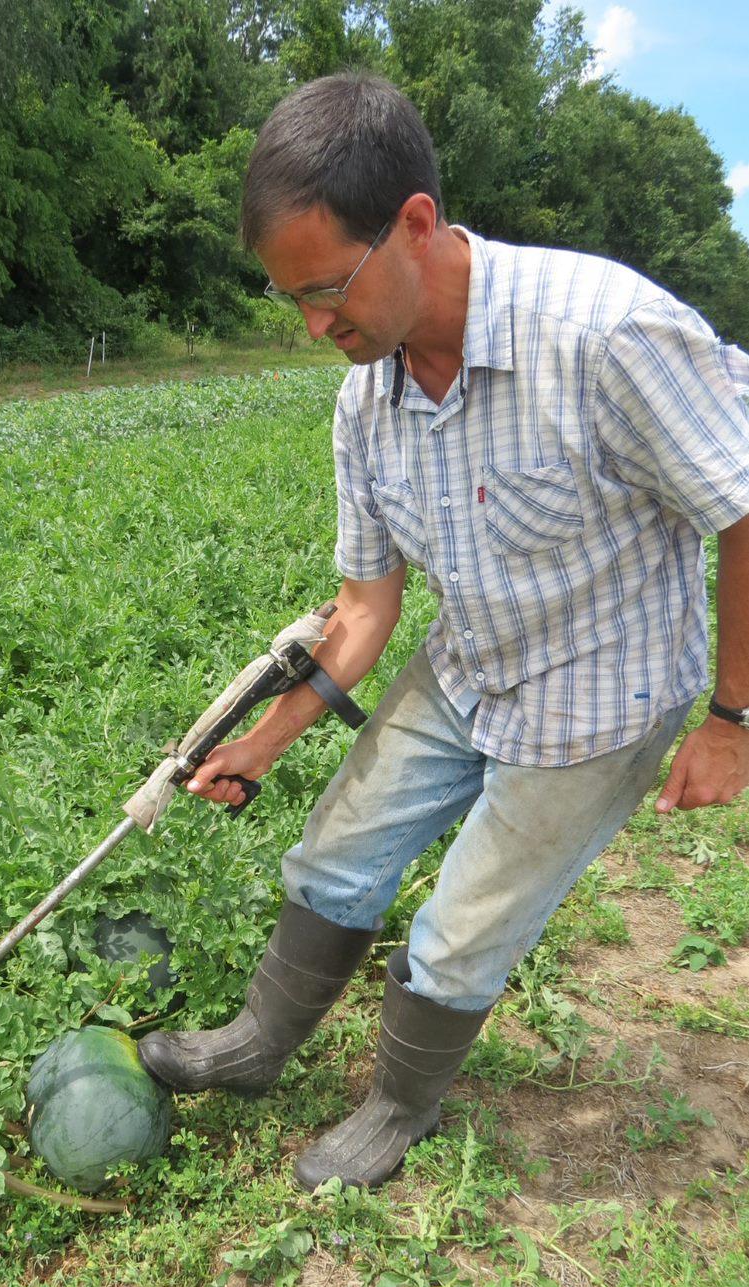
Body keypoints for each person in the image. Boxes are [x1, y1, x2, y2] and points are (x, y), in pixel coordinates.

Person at [138, 72, 749, 1191]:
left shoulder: (606, 335)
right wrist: (256, 746)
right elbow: (366, 610)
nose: (315, 326)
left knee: (460, 929)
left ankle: (396, 1106)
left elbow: (743, 505)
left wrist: (731, 715)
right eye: (292, 300)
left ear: (414, 224)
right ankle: (260, 1042)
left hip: (599, 697)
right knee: (335, 849)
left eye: (327, 291)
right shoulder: (365, 399)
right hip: (475, 659)